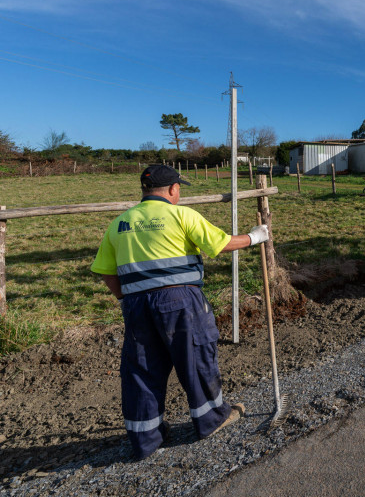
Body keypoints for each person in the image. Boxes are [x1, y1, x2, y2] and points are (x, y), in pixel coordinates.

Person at [91, 164, 270, 460]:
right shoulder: (181, 214)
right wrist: (255, 237)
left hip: (136, 305)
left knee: (142, 368)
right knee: (195, 357)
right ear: (173, 190)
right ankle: (211, 419)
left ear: (145, 191)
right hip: (179, 301)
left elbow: (106, 272)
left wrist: (128, 298)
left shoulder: (120, 223)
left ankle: (146, 438)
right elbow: (220, 243)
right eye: (179, 189)